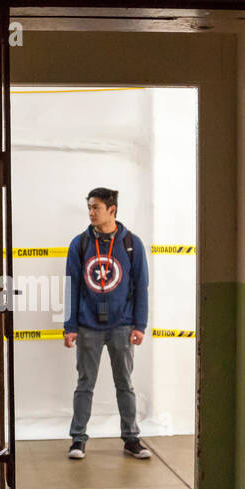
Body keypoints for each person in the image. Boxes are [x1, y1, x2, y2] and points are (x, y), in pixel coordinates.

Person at [62, 187, 151, 460]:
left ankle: (131, 438)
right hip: (88, 326)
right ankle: (78, 440)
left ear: (111, 210)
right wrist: (70, 326)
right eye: (89, 207)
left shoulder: (131, 243)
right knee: (84, 383)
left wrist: (140, 325)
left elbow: (141, 286)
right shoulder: (80, 244)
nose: (91, 213)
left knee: (124, 383)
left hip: (122, 326)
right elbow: (71, 286)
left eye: (96, 208)